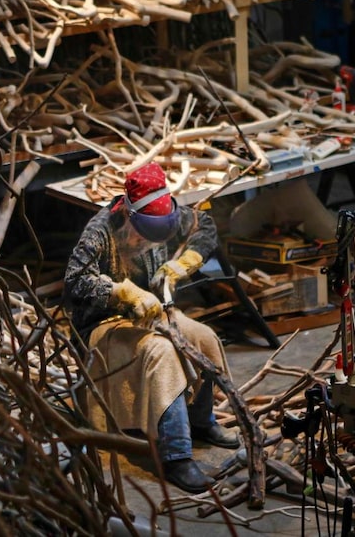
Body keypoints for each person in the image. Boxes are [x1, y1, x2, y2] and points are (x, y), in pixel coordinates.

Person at [63, 162, 239, 494]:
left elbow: (206, 227)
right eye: (143, 236)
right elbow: (75, 281)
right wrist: (121, 291)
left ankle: (201, 421)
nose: (146, 244)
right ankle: (175, 456)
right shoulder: (100, 229)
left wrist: (181, 265)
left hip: (155, 311)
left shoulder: (172, 213)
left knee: (204, 339)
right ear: (129, 216)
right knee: (162, 353)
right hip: (104, 324)